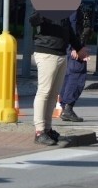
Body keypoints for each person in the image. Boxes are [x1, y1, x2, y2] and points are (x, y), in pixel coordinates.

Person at [29, 9, 88, 145]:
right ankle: (39, 132)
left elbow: (68, 30)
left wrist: (78, 48)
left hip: (61, 53)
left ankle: (47, 129)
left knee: (53, 94)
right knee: (44, 92)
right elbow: (33, 20)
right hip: (46, 52)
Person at [59, 1, 93, 122]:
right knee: (77, 75)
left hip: (68, 45)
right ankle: (67, 108)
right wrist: (76, 47)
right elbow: (73, 26)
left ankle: (65, 108)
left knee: (68, 76)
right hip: (74, 46)